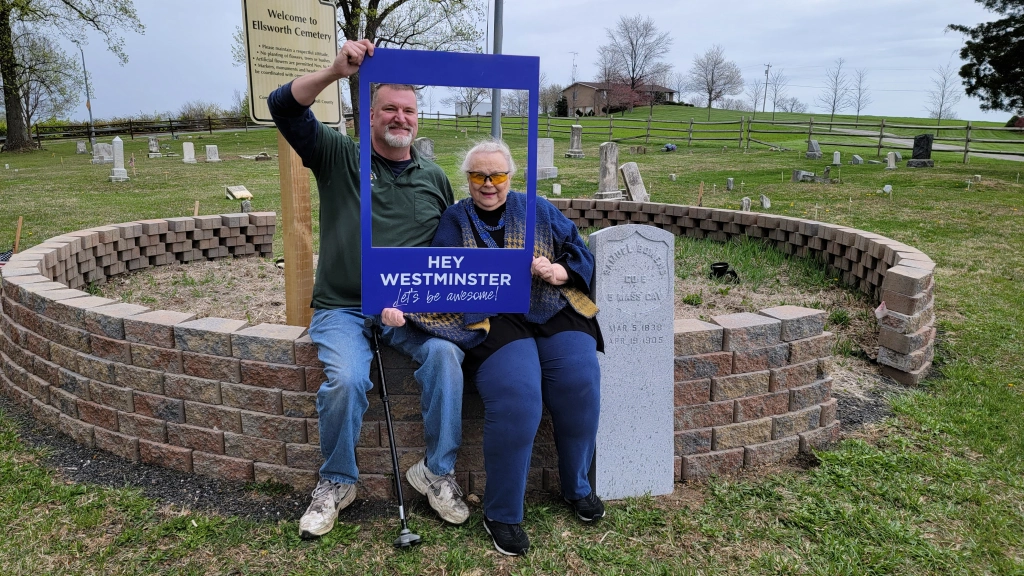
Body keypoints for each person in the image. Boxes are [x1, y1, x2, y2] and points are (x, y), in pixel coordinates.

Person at [267, 39, 469, 539]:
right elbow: (283, 106)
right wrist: (336, 70)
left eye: (408, 111)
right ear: (369, 114)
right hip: (344, 306)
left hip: (408, 309)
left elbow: (446, 252)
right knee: (346, 381)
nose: (399, 118)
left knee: (446, 358)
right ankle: (337, 482)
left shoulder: (436, 178)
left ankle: (436, 473)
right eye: (389, 110)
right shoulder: (339, 156)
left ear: (417, 119)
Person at [403, 139, 606, 556]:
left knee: (580, 381)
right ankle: (502, 513)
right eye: (478, 175)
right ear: (468, 179)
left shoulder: (538, 208)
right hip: (493, 320)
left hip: (550, 306)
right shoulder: (455, 219)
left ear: (510, 176)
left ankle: (577, 487)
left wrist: (558, 270)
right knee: (518, 398)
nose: (488, 183)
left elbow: (578, 251)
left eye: (497, 175)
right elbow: (441, 277)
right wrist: (406, 306)